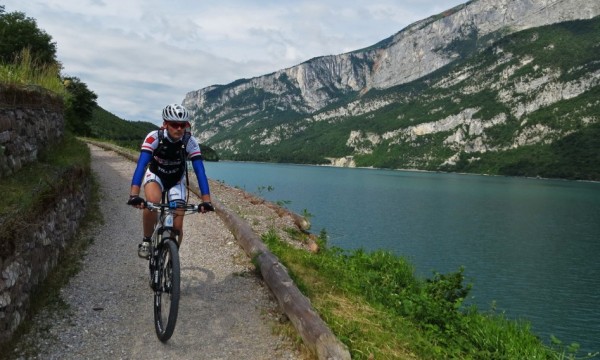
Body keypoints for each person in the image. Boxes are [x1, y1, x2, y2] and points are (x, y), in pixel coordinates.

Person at [127, 103, 214, 259]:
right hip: (156, 175)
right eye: (174, 125)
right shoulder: (155, 137)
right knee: (152, 201)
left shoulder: (190, 141)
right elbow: (141, 165)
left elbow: (200, 171)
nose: (179, 128)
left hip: (176, 180)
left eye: (183, 125)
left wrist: (206, 200)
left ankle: (171, 259)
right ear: (165, 124)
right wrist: (134, 195)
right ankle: (146, 241)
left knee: (177, 226)